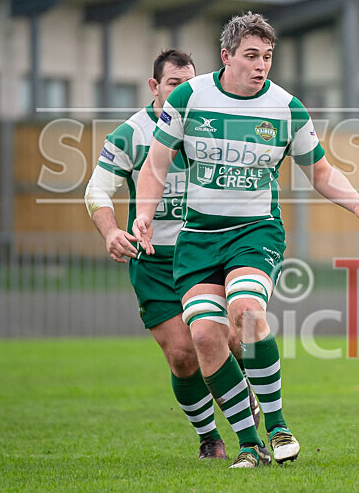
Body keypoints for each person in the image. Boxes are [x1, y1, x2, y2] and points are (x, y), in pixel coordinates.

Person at [132, 12, 359, 468]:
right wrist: (144, 216)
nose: (261, 65)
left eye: (267, 57)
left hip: (256, 232)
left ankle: (277, 425)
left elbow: (322, 171)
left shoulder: (287, 108)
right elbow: (156, 163)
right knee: (206, 338)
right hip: (199, 238)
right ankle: (250, 445)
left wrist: (357, 203)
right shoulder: (191, 96)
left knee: (247, 312)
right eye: (251, 56)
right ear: (226, 56)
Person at [84, 49, 260, 461]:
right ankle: (210, 438)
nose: (183, 92)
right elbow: (97, 191)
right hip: (157, 262)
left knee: (235, 336)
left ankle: (249, 398)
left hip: (206, 253)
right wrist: (111, 232)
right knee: (183, 354)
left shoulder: (214, 124)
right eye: (173, 84)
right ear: (155, 87)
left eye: (189, 83)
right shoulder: (130, 134)